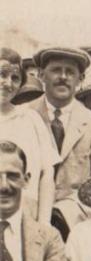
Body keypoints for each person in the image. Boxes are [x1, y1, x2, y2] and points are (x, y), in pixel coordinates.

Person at [29, 46, 91, 233]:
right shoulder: (25, 116)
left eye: (70, 72)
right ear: (41, 75)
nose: (63, 77)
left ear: (80, 80)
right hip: (28, 220)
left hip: (75, 224)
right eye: (56, 70)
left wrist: (64, 212)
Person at [0, 47, 59, 223]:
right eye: (2, 74)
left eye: (15, 78)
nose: (8, 83)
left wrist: (43, 224)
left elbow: (47, 172)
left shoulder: (30, 119)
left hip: (25, 218)